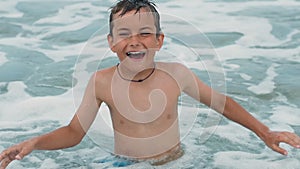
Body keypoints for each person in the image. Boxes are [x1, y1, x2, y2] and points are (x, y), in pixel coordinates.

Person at [1, 0, 300, 168]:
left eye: (145, 33)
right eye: (124, 34)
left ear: (159, 41)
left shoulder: (176, 75)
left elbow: (222, 103)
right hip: (124, 164)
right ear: (111, 43)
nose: (134, 41)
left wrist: (265, 132)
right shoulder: (101, 82)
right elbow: (74, 132)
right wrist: (34, 143)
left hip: (176, 163)